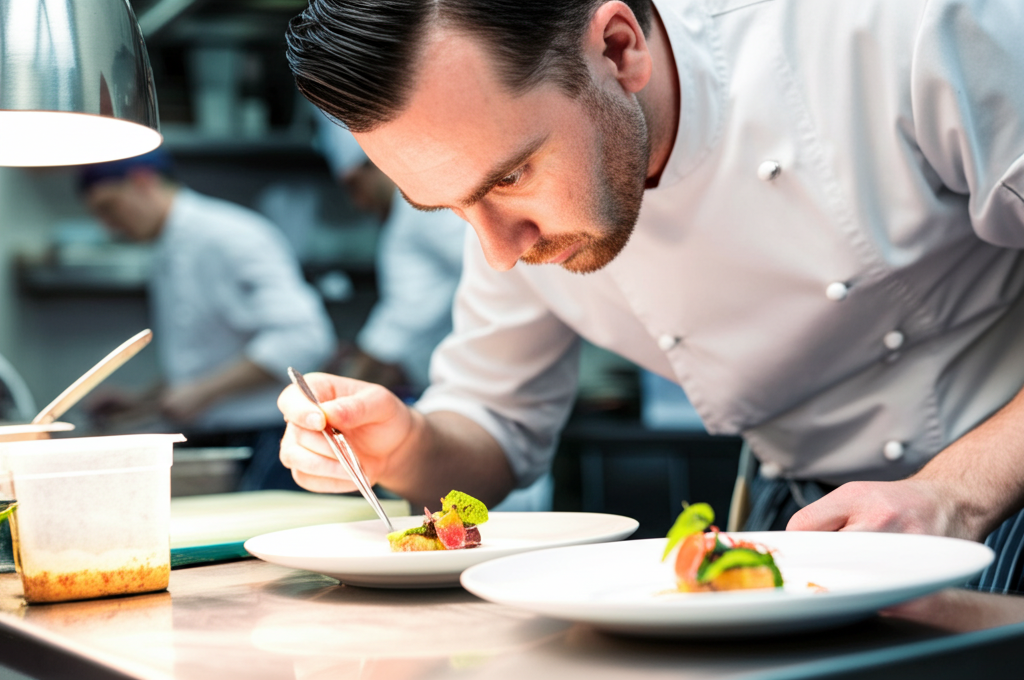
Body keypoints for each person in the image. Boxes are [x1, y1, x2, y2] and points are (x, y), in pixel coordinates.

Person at [276, 0, 1024, 590]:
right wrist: (404, 445)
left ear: (617, 49)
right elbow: (493, 429)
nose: (500, 253)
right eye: (452, 209)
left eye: (509, 178)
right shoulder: (512, 226)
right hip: (810, 521)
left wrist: (954, 490)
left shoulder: (901, 25)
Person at [317, 116, 556, 511]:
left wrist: (350, 386)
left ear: (373, 163)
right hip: (467, 426)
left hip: (484, 435)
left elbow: (403, 320)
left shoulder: (422, 209)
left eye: (353, 187)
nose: (358, 204)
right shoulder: (414, 218)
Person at [80, 148, 336, 490]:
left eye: (108, 208)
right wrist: (141, 399)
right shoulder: (166, 248)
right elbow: (206, 351)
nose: (107, 225)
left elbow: (303, 337)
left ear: (142, 181)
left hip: (268, 439)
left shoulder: (229, 236)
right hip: (215, 438)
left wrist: (202, 392)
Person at [316, 114, 467, 397]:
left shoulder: (423, 203)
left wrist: (358, 380)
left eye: (354, 187)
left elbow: (406, 315)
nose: (358, 204)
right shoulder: (406, 213)